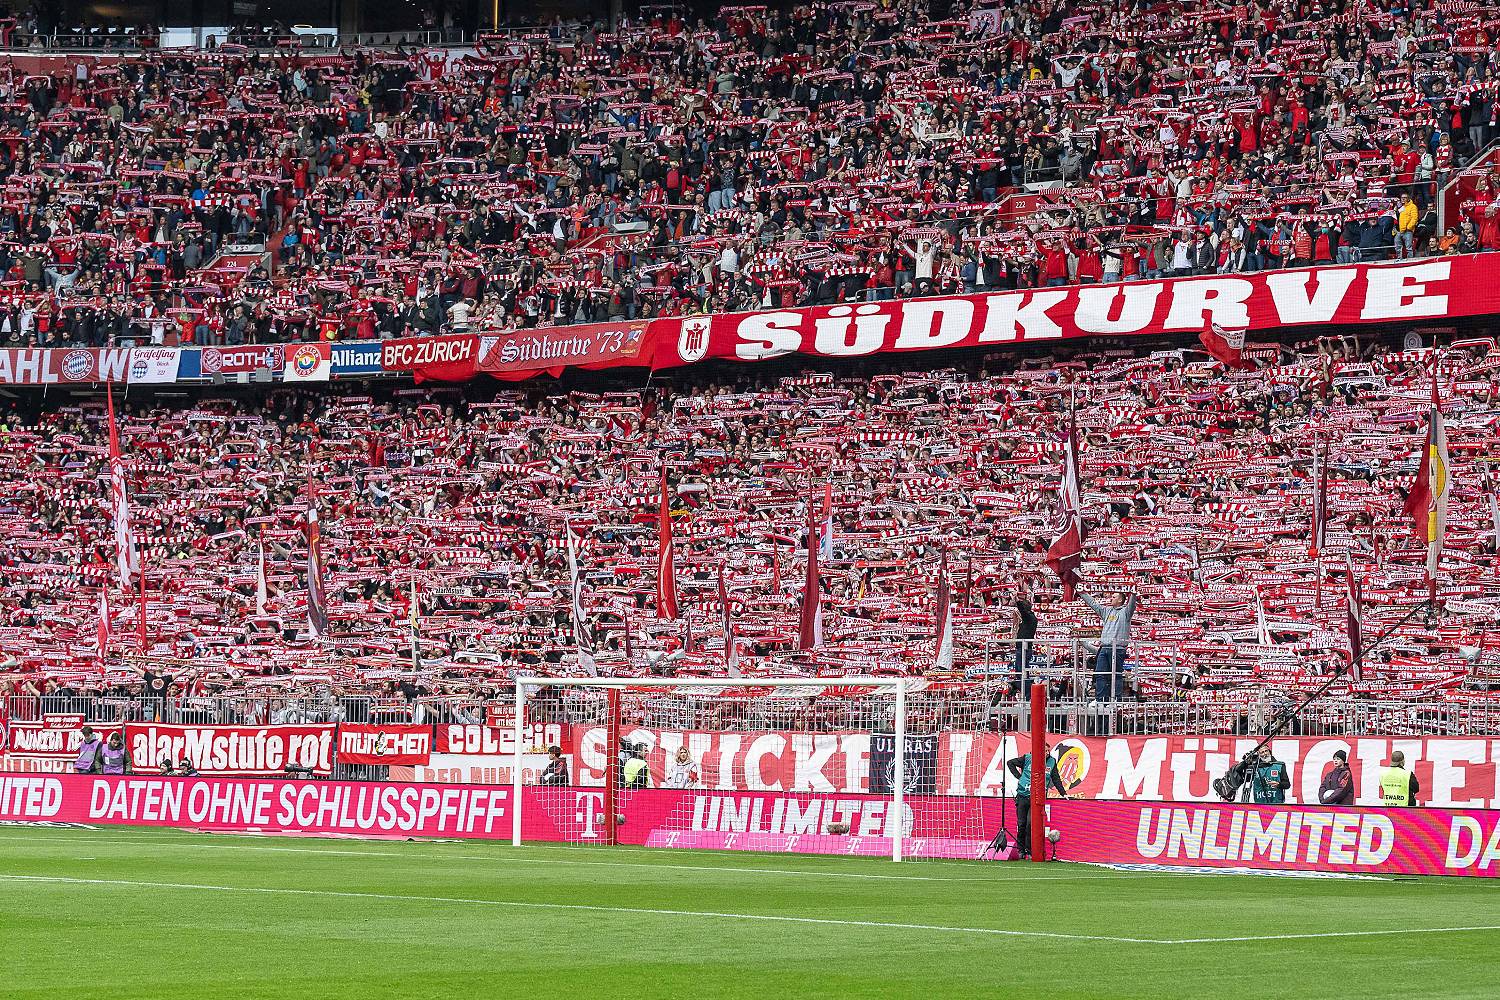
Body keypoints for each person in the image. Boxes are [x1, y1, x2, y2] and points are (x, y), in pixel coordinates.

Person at [1008, 747, 1068, 859]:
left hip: (1037, 798)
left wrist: (1063, 793)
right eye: (1044, 750)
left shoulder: (1052, 761)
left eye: (1047, 751)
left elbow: (1056, 778)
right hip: (1022, 795)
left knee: (1031, 824)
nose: (1046, 752)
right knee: (1021, 824)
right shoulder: (1027, 758)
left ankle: (1030, 851)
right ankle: (1021, 851)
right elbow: (1010, 763)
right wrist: (1019, 777)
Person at [1082, 591, 1137, 702]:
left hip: (1118, 649)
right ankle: (1100, 700)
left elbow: (1132, 603)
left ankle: (1116, 700)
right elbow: (1093, 603)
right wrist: (1081, 592)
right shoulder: (1106, 611)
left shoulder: (1126, 612)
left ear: (1120, 600)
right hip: (1104, 648)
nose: (1110, 598)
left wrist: (1133, 593)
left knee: (1116, 675)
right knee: (1100, 674)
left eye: (1114, 597)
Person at [1013, 589, 1038, 690]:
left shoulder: (1030, 618)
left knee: (1021, 672)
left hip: (1024, 649)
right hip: (1022, 648)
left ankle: (1026, 694)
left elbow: (1023, 611)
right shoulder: (1030, 618)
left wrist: (1017, 600)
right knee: (1021, 671)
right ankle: (1025, 693)